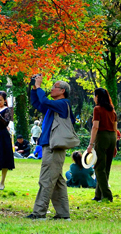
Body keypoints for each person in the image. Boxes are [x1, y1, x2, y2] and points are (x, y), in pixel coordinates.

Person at [27, 75, 73, 221]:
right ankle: (63, 214)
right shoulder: (54, 105)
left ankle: (39, 213)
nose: (52, 89)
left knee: (46, 179)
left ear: (62, 91)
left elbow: (44, 100)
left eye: (55, 87)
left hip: (54, 146)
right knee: (57, 181)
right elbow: (38, 102)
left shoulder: (63, 103)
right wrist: (35, 88)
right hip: (50, 145)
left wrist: (40, 86)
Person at [85, 87, 117, 202]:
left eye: (94, 95)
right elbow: (115, 128)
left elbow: (95, 127)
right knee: (106, 167)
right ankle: (98, 195)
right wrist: (115, 146)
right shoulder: (112, 110)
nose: (94, 98)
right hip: (112, 137)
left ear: (97, 97)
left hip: (102, 136)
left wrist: (91, 144)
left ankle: (107, 196)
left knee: (99, 167)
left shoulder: (97, 109)